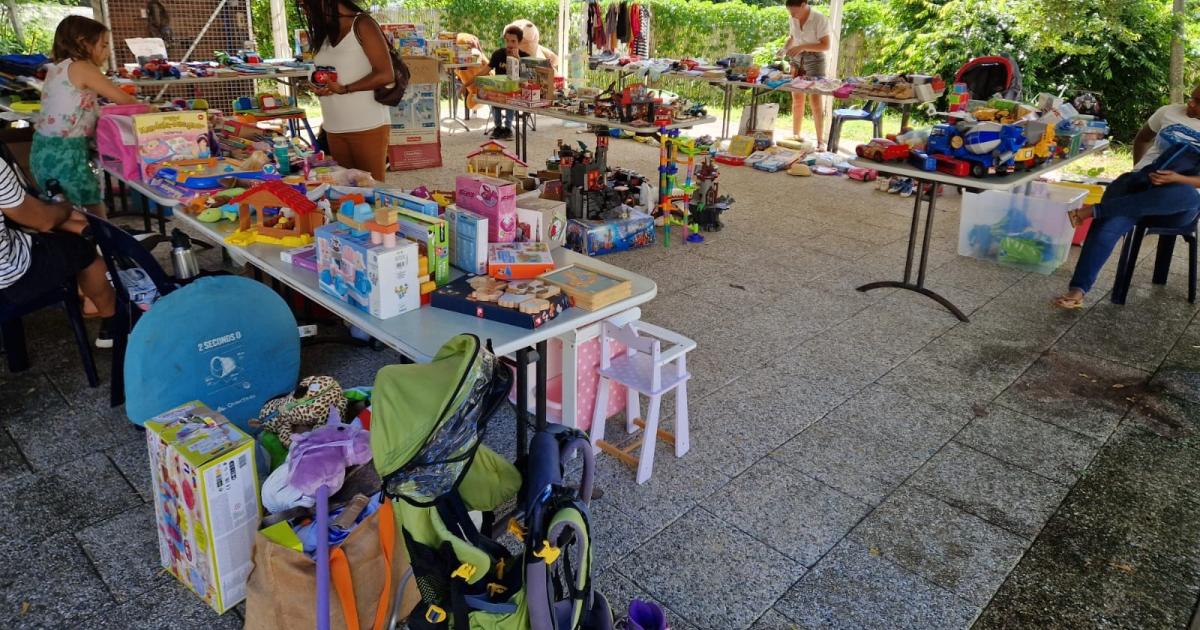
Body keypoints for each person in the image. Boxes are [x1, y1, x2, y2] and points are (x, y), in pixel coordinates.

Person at [1054, 85, 1200, 309]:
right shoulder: (1168, 112)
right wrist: (1138, 171)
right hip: (1142, 184)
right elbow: (1142, 139)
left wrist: (1176, 179)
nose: (1191, 104)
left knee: (1191, 197)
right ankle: (1078, 290)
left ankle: (1094, 210)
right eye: (1192, 98)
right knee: (1108, 226)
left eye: (1199, 103)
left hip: (1174, 204)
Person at [0, 156, 116, 347]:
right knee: (82, 248)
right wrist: (65, 207)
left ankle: (81, 228)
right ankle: (113, 322)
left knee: (45, 226)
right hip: (10, 277)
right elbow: (42, 220)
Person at [32, 16, 137, 218]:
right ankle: (101, 247)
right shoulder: (82, 67)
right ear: (83, 43)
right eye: (104, 45)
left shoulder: (58, 66)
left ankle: (93, 245)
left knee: (71, 214)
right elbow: (126, 100)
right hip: (66, 153)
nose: (108, 52)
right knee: (92, 213)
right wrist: (155, 112)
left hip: (46, 149)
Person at [298, 0, 394, 181]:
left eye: (305, 4)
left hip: (367, 125)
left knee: (369, 189)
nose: (304, 10)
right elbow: (324, 66)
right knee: (343, 190)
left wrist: (345, 89)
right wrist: (316, 82)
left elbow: (386, 74)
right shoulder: (326, 30)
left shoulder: (363, 24)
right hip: (334, 126)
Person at [781, 0, 831, 148]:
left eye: (794, 11)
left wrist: (802, 47)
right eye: (790, 11)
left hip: (815, 60)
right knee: (797, 98)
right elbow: (792, 37)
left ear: (804, 4)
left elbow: (826, 45)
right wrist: (784, 49)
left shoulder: (819, 18)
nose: (792, 15)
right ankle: (796, 136)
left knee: (815, 101)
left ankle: (820, 141)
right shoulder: (793, 17)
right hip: (797, 59)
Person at [484, 26, 529, 140]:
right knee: (493, 93)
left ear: (519, 42)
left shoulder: (525, 57)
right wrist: (467, 84)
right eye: (507, 40)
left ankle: (508, 128)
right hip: (499, 90)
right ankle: (498, 127)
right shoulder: (498, 54)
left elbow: (528, 77)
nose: (509, 44)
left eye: (513, 41)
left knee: (511, 95)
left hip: (516, 92)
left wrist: (518, 60)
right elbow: (484, 71)